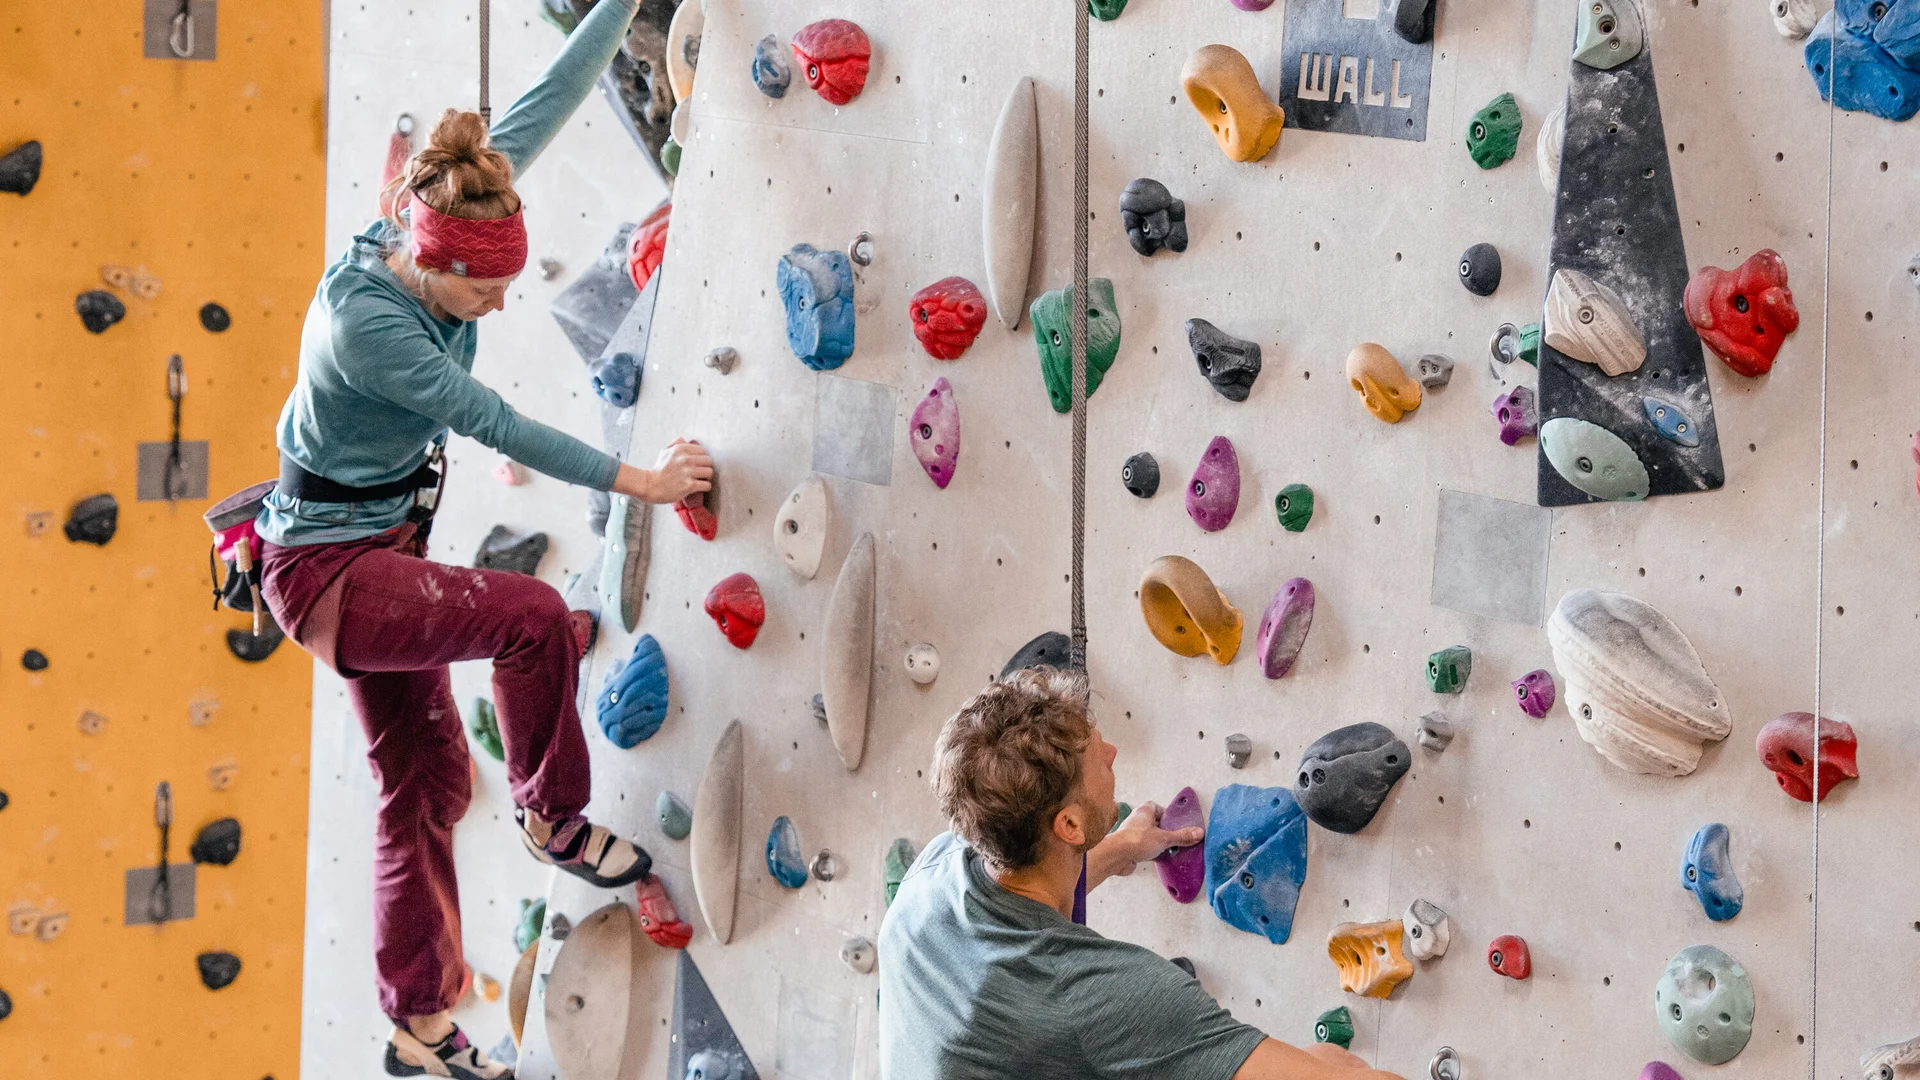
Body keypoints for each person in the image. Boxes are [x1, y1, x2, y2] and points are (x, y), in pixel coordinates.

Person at [254, 2, 707, 1076]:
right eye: (486, 291)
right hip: (327, 575)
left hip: (375, 548)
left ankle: (417, 1026)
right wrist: (644, 483)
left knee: (427, 785)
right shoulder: (368, 328)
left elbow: (550, 95)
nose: (499, 308)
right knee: (534, 621)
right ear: (434, 263)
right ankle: (555, 819)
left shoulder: (439, 212)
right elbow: (496, 422)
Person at [879, 666, 1407, 1080]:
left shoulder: (934, 871)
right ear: (1068, 825)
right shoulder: (1097, 996)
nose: (1111, 751)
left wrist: (1114, 850)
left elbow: (1014, 908)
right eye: (1096, 758)